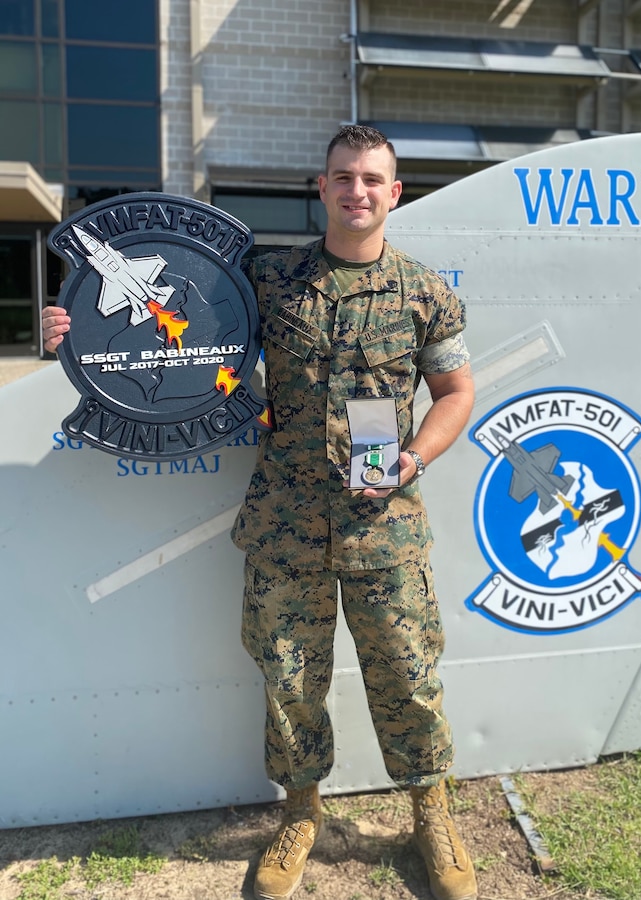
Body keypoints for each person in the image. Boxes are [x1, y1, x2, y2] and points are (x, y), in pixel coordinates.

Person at [42, 125, 477, 900]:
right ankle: (301, 814)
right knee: (288, 680)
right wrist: (76, 330)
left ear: (393, 192)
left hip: (385, 528)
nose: (357, 191)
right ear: (322, 188)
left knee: (409, 679)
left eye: (372, 179)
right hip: (285, 526)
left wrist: (414, 458)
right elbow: (166, 329)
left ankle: (429, 811)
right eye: (343, 177)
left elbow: (454, 395)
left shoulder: (425, 293)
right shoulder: (265, 280)